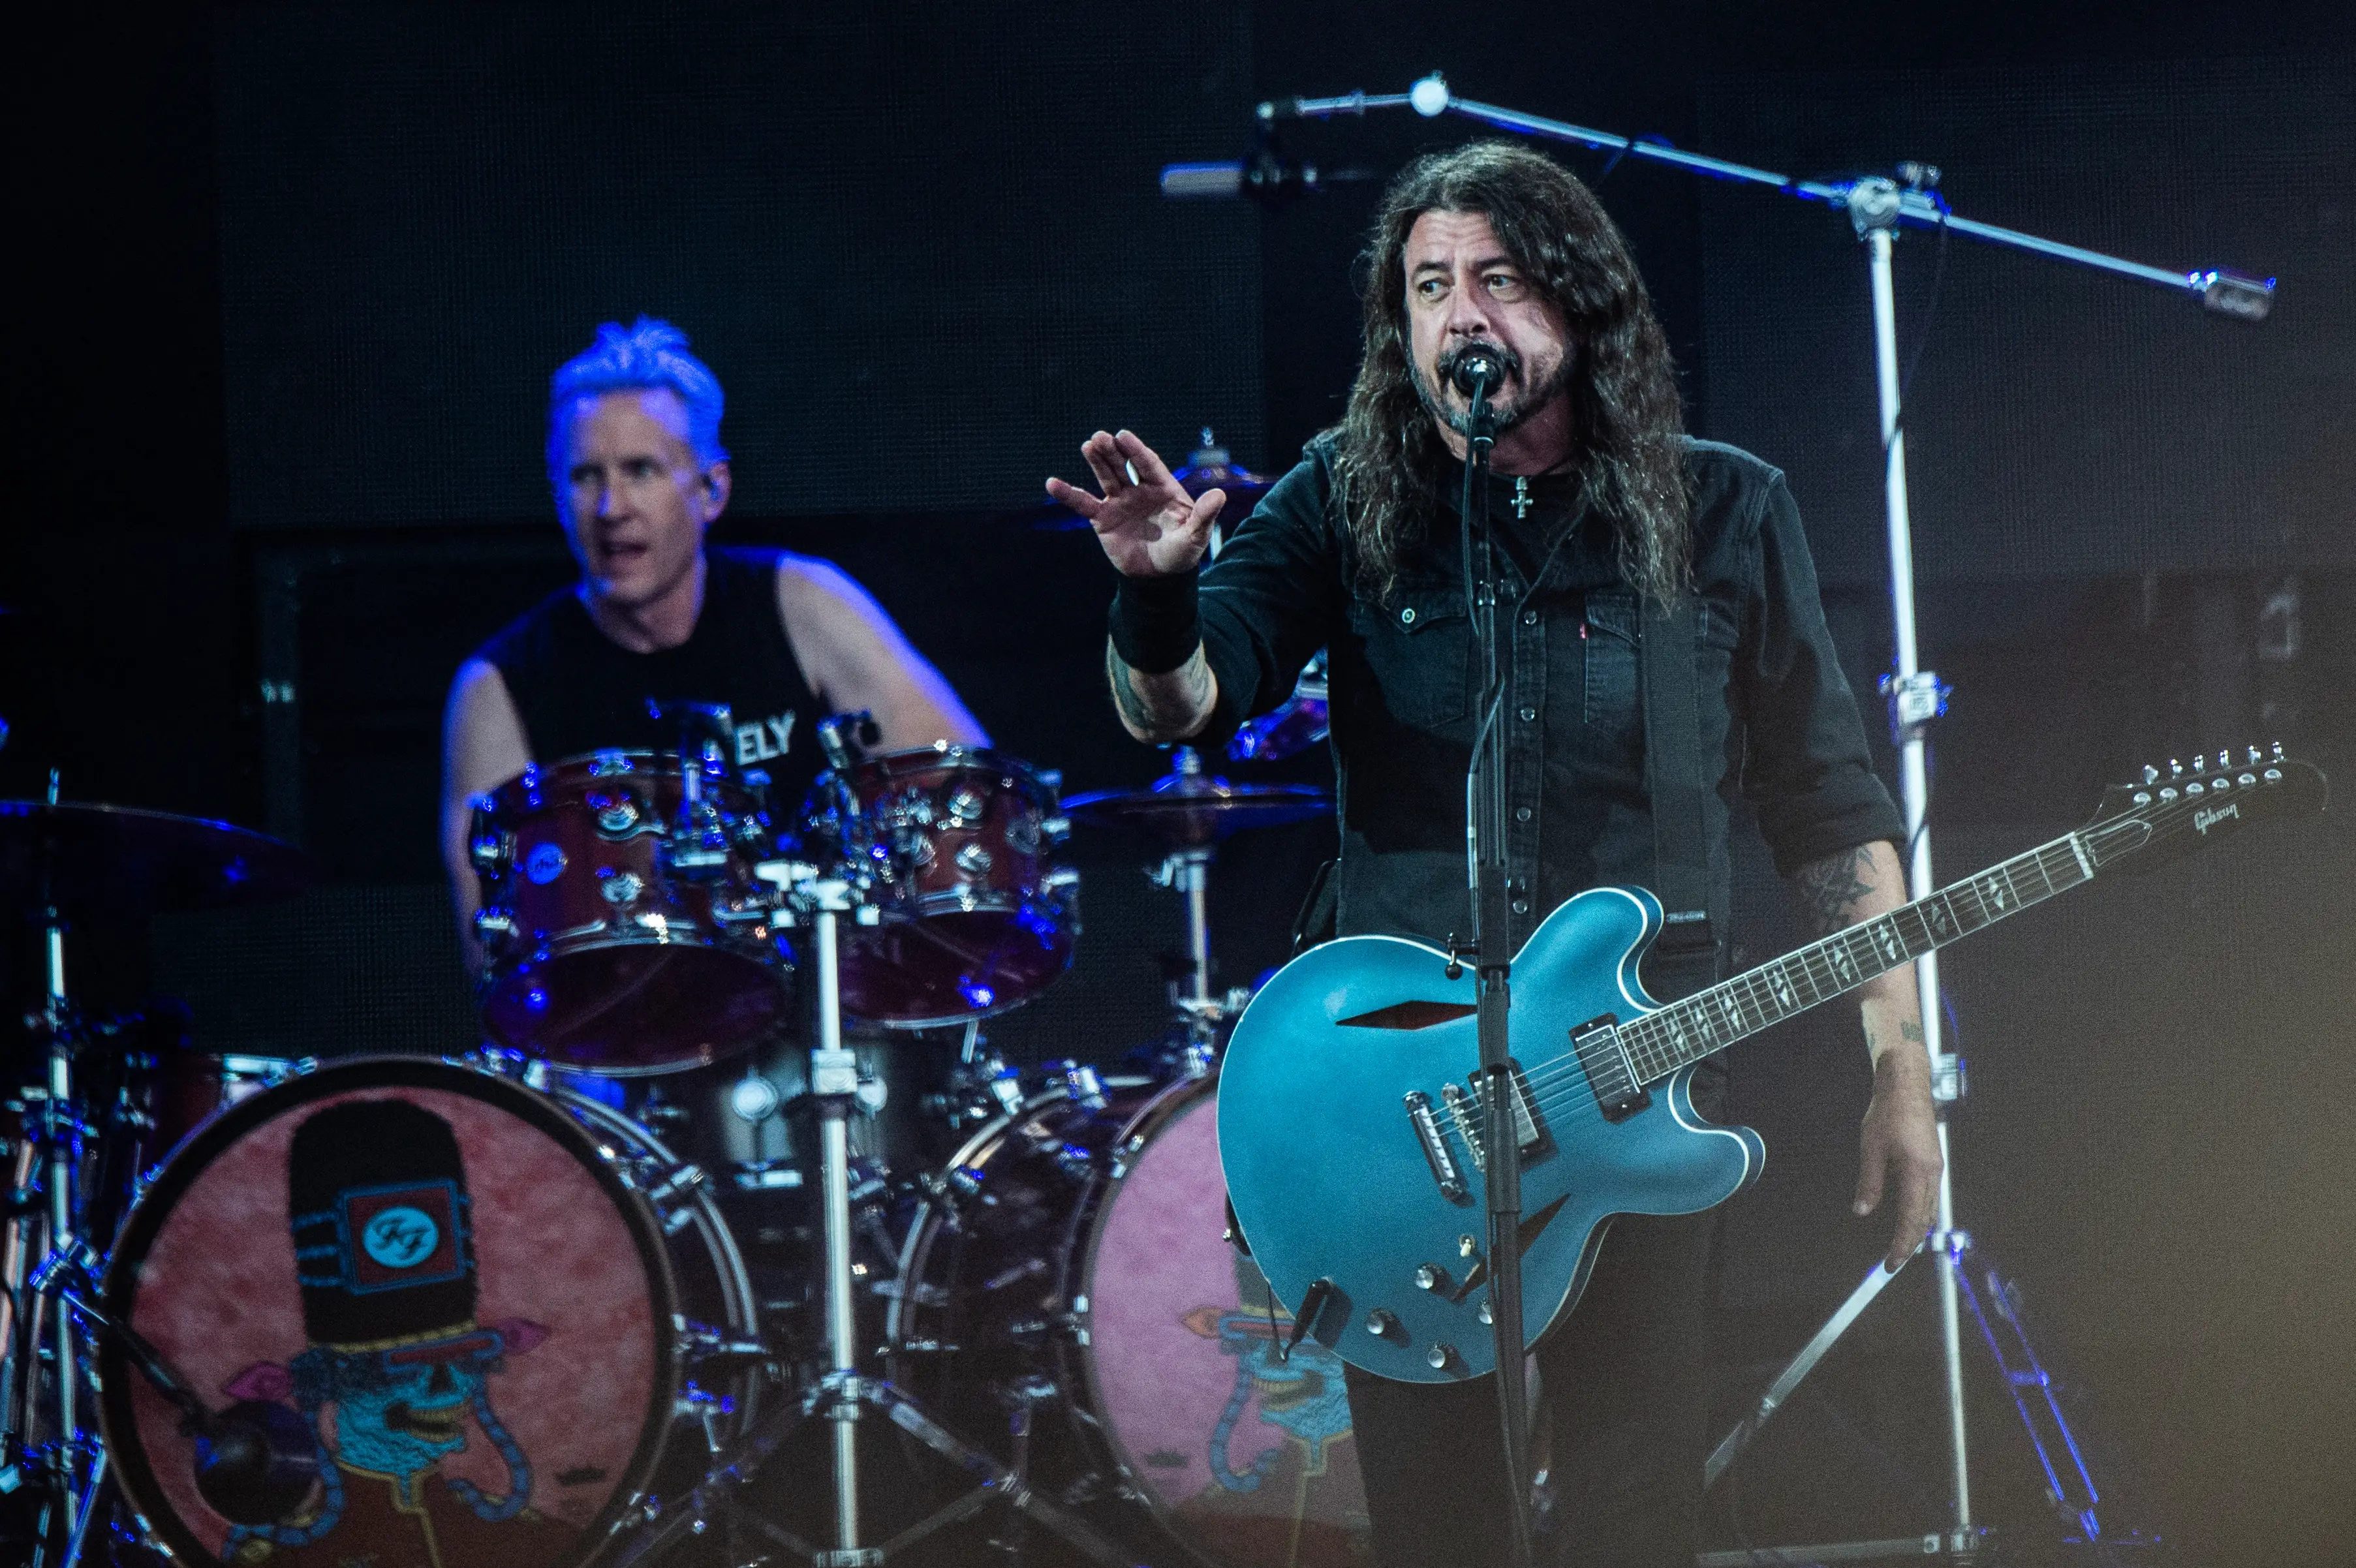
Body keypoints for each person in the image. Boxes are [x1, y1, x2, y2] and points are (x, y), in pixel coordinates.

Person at [1048, 143, 1943, 1566]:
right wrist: (1156, 601)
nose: (1459, 314)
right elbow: (1184, 706)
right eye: (1428, 287)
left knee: (1634, 1518)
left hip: (1633, 1092)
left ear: (1580, 305)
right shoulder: (1340, 499)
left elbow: (1830, 809)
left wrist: (1899, 1066)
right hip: (1400, 1113)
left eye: (1499, 279)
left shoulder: (1724, 510)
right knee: (1436, 1532)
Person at [442, 318, 985, 963]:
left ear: (712, 489)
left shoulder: (805, 604)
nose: (612, 507)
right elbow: (497, 960)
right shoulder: (498, 688)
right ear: (557, 496)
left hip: (831, 997)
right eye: (585, 476)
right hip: (628, 1015)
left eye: (641, 470)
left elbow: (967, 800)